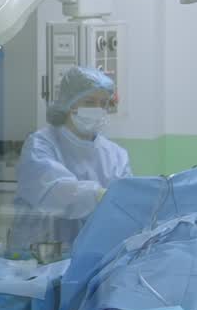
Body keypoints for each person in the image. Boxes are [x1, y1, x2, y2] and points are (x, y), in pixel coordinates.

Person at [7, 66, 131, 258]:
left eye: (103, 103)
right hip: (38, 254)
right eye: (89, 102)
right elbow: (55, 192)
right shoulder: (41, 145)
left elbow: (125, 209)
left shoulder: (116, 155)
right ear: (69, 104)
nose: (98, 109)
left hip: (91, 256)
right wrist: (99, 195)